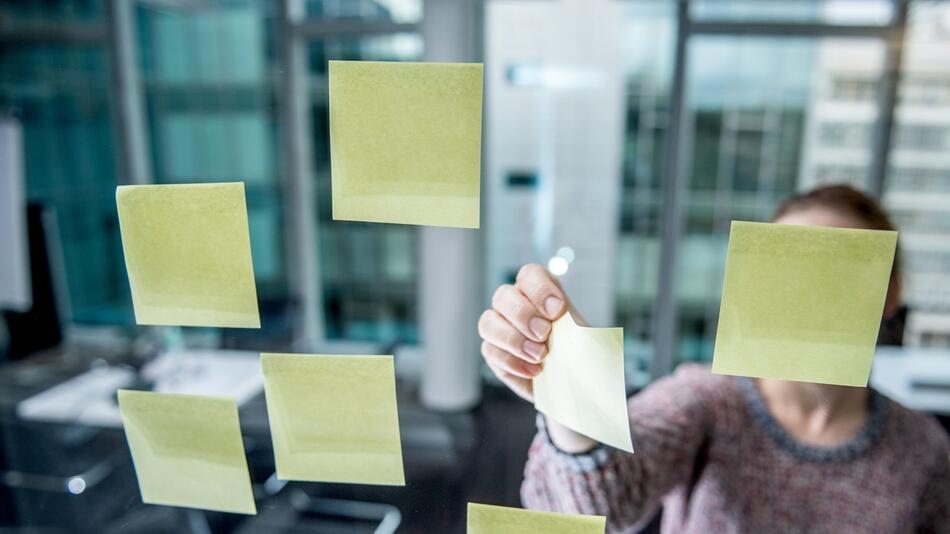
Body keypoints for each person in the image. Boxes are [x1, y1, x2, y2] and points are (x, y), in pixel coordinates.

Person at [477, 185, 949, 533]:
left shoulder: (924, 451)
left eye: (834, 271)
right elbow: (598, 505)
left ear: (889, 294)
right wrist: (570, 387)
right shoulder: (707, 400)